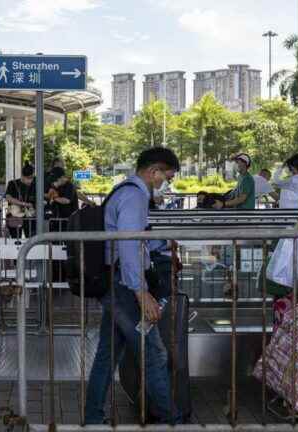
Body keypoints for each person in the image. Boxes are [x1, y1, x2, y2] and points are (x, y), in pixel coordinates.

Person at [86, 147, 181, 425]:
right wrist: (142, 293)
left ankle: (93, 417)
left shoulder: (124, 191)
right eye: (165, 177)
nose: (164, 183)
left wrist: (161, 244)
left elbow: (135, 239)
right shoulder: (134, 196)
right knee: (153, 353)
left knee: (108, 354)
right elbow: (128, 246)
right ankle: (169, 419)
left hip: (115, 283)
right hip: (125, 287)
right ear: (154, 172)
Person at [5, 164, 37, 238]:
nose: (30, 180)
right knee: (15, 240)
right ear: (22, 176)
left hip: (30, 217)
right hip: (15, 217)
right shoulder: (12, 183)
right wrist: (24, 204)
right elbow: (8, 198)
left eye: (32, 178)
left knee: (32, 239)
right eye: (28, 178)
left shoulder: (34, 185)